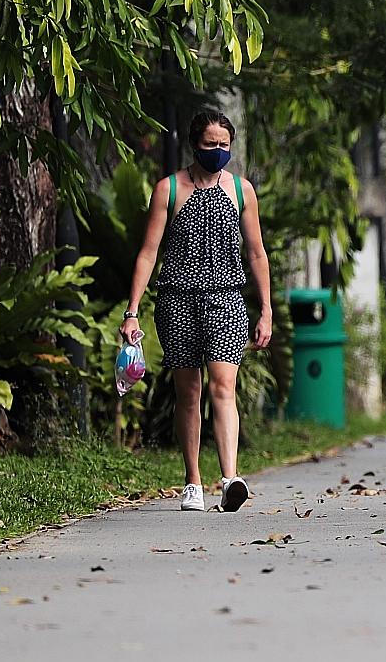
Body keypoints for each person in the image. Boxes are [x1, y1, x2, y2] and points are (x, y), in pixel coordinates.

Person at [122, 110, 272, 512]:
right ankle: (192, 482)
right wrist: (132, 310)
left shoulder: (241, 191)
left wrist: (266, 311)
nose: (218, 152)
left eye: (225, 145)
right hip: (177, 300)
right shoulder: (169, 189)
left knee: (223, 386)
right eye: (210, 145)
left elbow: (256, 253)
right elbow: (149, 252)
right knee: (188, 392)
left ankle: (229, 478)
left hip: (226, 298)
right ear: (195, 144)